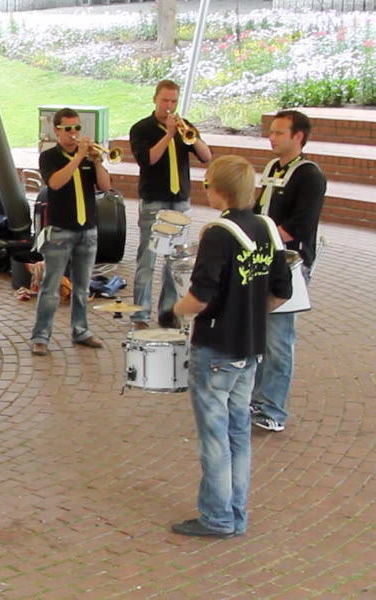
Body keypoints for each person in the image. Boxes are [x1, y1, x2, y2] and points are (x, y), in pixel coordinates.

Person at [161, 155, 292, 538]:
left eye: (207, 184)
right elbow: (282, 291)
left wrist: (172, 313)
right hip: (250, 348)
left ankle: (216, 518)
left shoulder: (218, 233)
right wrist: (249, 313)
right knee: (238, 434)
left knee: (215, 438)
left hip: (216, 349)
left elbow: (200, 297)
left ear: (218, 190)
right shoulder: (267, 227)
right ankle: (236, 514)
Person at [250, 110, 326, 432]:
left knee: (279, 339)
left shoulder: (309, 175)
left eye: (279, 133)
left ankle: (273, 410)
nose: (272, 137)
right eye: (272, 131)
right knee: (258, 335)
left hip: (289, 264)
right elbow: (260, 210)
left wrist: (262, 237)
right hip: (262, 259)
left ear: (298, 137)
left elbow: (302, 224)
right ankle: (256, 399)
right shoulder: (272, 167)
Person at [129, 79, 213, 328]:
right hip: (154, 201)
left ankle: (168, 314)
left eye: (174, 101)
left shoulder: (184, 126)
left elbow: (206, 156)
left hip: (180, 201)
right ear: (155, 99)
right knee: (148, 260)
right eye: (165, 100)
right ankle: (140, 316)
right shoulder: (141, 129)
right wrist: (168, 135)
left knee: (174, 262)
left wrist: (189, 136)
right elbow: (148, 160)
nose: (169, 105)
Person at [29, 108, 111, 356]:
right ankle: (40, 336)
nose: (74, 133)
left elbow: (105, 186)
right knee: (51, 288)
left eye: (77, 128)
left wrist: (97, 162)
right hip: (60, 232)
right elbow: (55, 183)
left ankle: (81, 330)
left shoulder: (88, 158)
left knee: (83, 287)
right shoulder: (49, 157)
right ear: (57, 130)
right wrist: (78, 158)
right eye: (68, 129)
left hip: (88, 230)